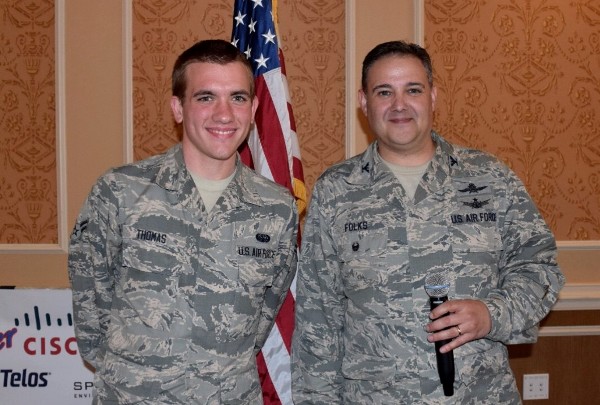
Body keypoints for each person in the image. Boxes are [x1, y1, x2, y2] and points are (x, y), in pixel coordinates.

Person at [291, 40, 564, 404]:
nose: (399, 105)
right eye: (384, 92)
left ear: (433, 96)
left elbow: (540, 268)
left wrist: (491, 314)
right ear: (364, 102)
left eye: (413, 90)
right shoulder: (336, 190)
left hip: (479, 396)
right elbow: (317, 319)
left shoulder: (490, 178)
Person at [68, 39, 298, 404]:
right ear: (178, 107)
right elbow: (90, 302)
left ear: (253, 108)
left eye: (237, 98)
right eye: (206, 97)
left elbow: (265, 311)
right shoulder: (121, 191)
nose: (224, 114)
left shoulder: (277, 207)